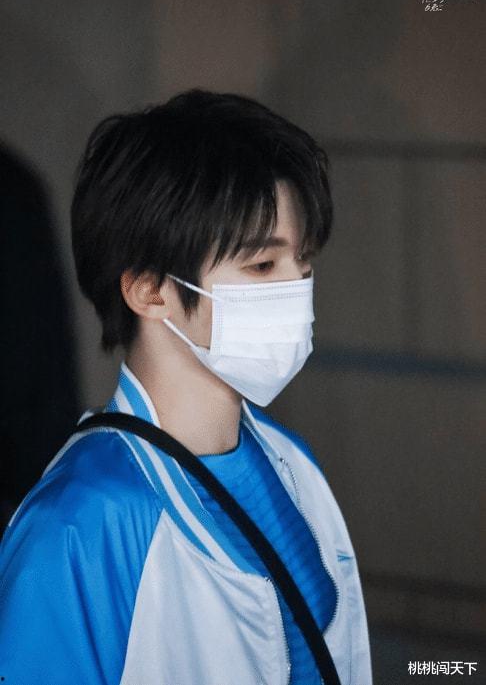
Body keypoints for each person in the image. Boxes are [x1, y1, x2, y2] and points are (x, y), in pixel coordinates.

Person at [0, 89, 372, 684]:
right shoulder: (76, 526)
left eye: (303, 264)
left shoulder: (295, 468)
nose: (297, 289)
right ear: (149, 290)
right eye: (262, 265)